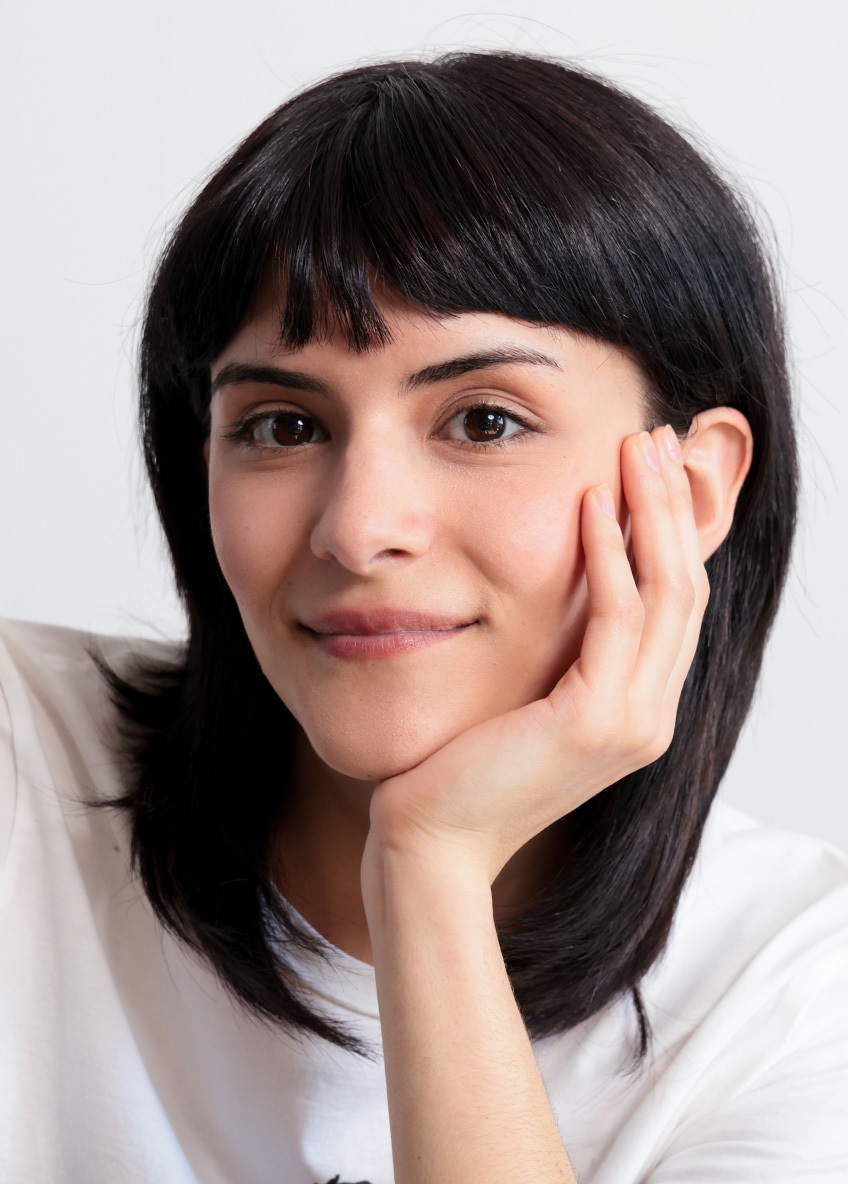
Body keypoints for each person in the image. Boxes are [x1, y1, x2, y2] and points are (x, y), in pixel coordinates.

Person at [1, 49, 846, 1184]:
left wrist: (430, 866)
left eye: (484, 421)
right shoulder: (24, 766)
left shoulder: (796, 995)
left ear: (691, 490)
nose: (358, 530)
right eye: (283, 426)